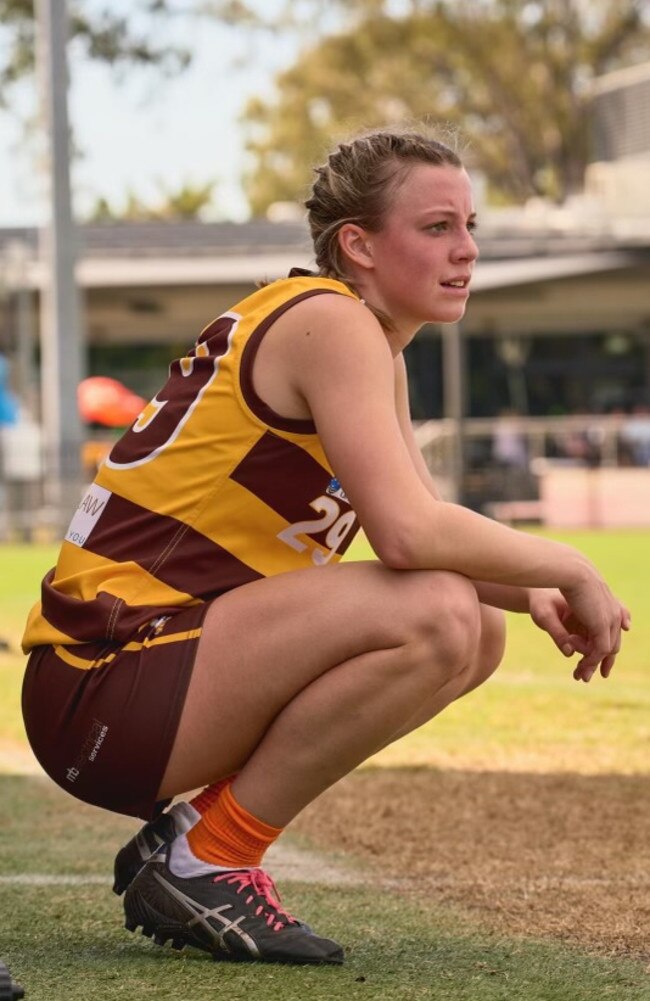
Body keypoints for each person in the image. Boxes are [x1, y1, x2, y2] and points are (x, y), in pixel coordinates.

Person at [21, 127, 629, 967]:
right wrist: (571, 564)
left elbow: (422, 519)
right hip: (105, 681)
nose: (468, 250)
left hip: (140, 675)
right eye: (438, 227)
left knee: (475, 624)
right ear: (358, 244)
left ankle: (201, 844)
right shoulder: (332, 322)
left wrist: (528, 596)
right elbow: (410, 536)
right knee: (441, 613)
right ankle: (209, 856)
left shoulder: (357, 334)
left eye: (470, 225)